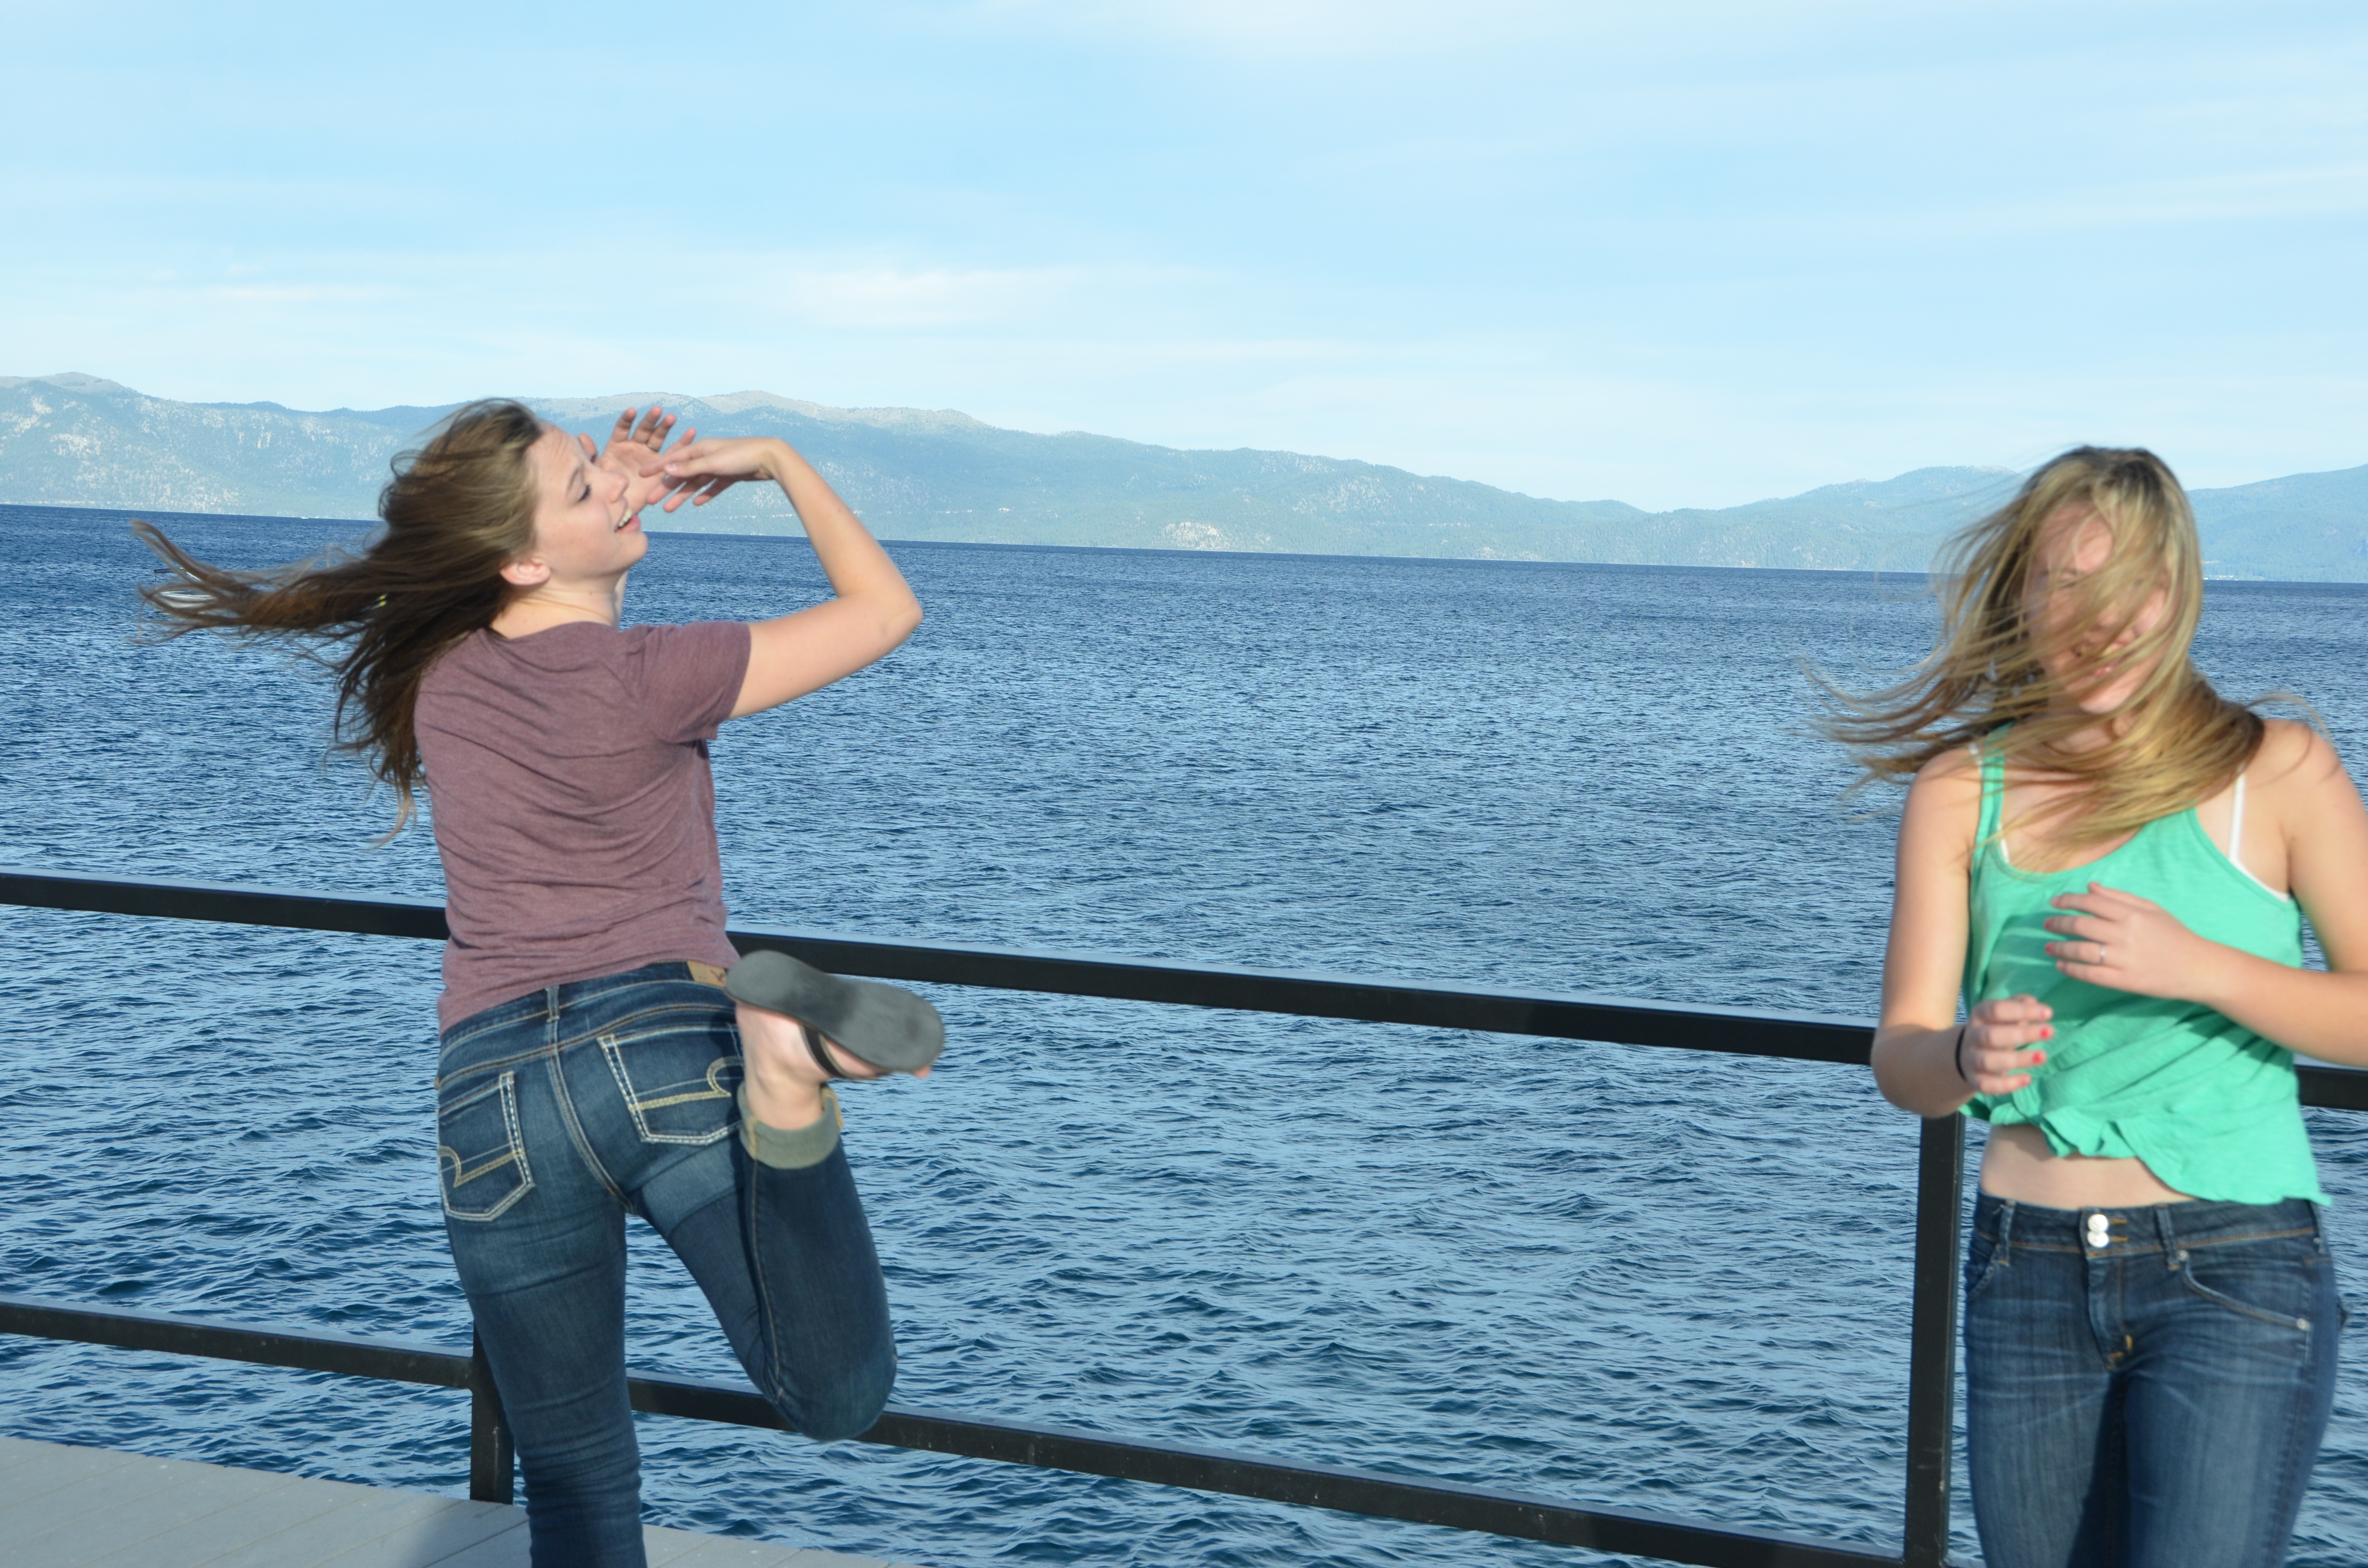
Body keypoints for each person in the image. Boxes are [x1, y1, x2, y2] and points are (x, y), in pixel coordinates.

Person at [136, 399, 941, 1568]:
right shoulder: (656, 674)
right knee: (834, 1391)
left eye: (595, 466)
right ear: (519, 557)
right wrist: (777, 461)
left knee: (574, 1482)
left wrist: (601, 498)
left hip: (489, 1093)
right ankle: (784, 1086)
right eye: (583, 485)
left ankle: (776, 1072)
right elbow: (885, 611)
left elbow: (541, 620)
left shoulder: (441, 677)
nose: (616, 482)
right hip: (664, 1045)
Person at [1819, 445, 2364, 1566]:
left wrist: (2202, 967)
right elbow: (1900, 1056)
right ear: (2020, 595)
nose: (2102, 622)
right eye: (2067, 585)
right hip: (2024, 1268)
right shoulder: (1960, 790)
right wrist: (1962, 1055)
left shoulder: (2278, 772)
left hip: (2236, 1263)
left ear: (2179, 595)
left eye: (2132, 589)